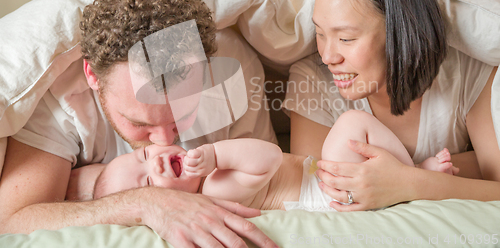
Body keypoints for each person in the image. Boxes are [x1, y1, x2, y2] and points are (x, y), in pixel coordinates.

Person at [0, 0, 279, 248]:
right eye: (139, 122)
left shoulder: (233, 70)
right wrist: (145, 203)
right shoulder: (58, 102)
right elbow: (12, 221)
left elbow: (273, 186)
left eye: (182, 116)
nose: (165, 142)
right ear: (92, 77)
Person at [284, 0, 500, 211]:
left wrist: (408, 182)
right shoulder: (311, 78)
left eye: (346, 38)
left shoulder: (468, 72)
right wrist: (458, 167)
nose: (328, 56)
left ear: (400, 30)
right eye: (320, 33)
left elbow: (495, 187)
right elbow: (316, 197)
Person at [93, 110, 458, 211]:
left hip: (319, 175)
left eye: (142, 155)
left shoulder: (207, 174)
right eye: (146, 181)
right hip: (327, 192)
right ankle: (411, 174)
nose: (153, 163)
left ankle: (405, 172)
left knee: (350, 132)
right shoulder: (213, 191)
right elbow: (268, 156)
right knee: (350, 125)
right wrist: (217, 154)